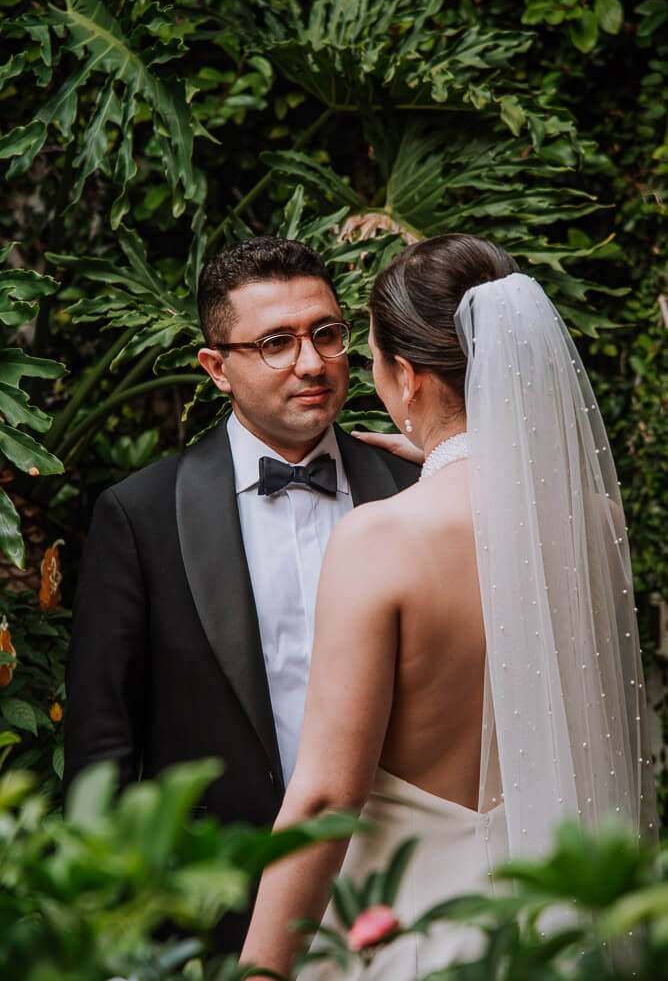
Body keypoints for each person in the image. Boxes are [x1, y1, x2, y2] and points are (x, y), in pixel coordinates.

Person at [240, 234, 657, 979]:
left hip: (413, 933)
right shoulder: (596, 519)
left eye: (369, 358)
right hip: (556, 924)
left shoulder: (379, 539)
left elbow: (328, 795)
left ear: (408, 376)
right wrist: (458, 455)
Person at [63, 236, 419, 952]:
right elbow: (102, 740)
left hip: (403, 887)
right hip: (214, 907)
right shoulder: (140, 514)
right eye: (275, 343)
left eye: (326, 333)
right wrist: (111, 927)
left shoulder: (416, 492)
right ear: (216, 368)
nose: (312, 362)